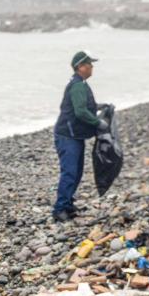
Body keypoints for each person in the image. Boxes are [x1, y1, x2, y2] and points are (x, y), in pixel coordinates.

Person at [52, 50, 104, 222]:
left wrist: (100, 107)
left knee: (77, 171)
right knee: (70, 172)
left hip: (74, 136)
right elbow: (80, 111)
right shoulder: (77, 86)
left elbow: (86, 105)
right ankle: (59, 209)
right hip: (67, 136)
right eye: (89, 64)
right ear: (80, 67)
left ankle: (68, 204)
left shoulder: (80, 83)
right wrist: (98, 123)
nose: (92, 67)